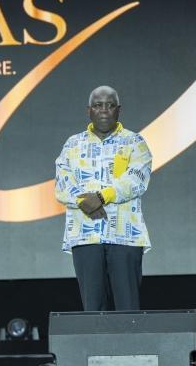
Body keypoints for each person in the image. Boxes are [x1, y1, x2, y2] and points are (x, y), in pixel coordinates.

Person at [54, 86, 152, 311]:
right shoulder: (73, 144)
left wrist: (100, 197)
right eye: (98, 105)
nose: (104, 110)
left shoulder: (134, 142)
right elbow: (62, 183)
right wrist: (84, 202)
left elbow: (136, 180)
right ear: (89, 110)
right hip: (85, 235)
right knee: (93, 310)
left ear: (119, 110)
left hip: (125, 236)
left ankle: (129, 337)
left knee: (128, 309)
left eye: (110, 105)